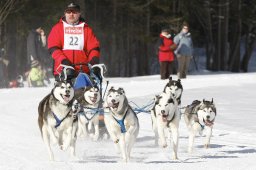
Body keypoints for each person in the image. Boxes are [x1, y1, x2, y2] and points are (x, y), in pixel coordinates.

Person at [47, 2, 100, 82]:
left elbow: (94, 48)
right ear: (65, 13)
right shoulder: (57, 28)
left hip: (83, 71)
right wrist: (64, 61)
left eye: (74, 12)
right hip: (63, 71)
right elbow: (53, 48)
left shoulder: (86, 29)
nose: (71, 14)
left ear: (79, 13)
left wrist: (93, 60)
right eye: (68, 12)